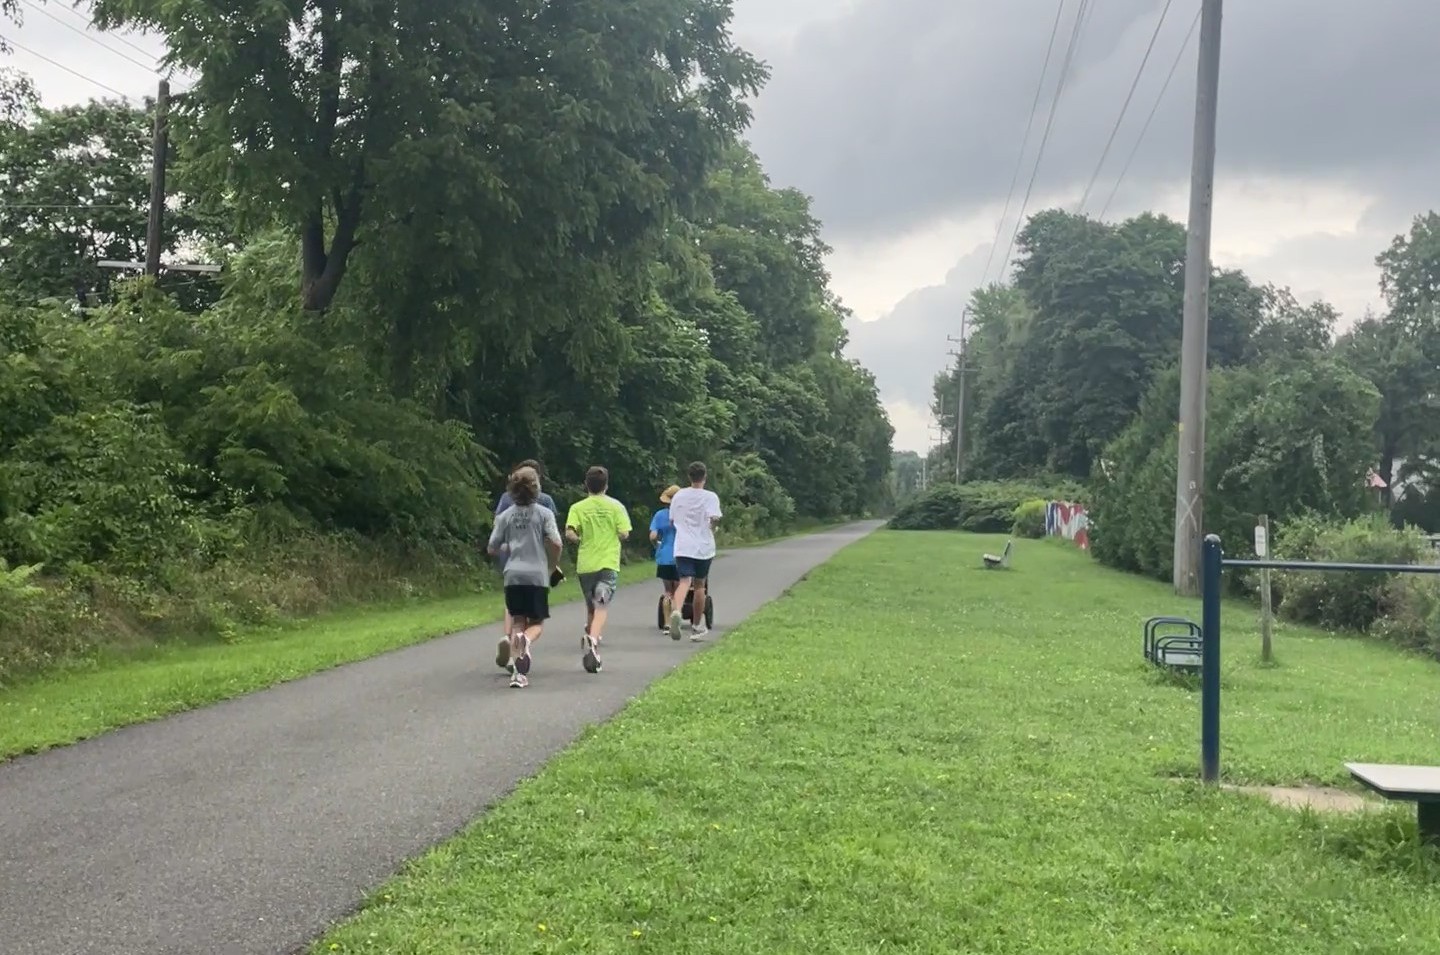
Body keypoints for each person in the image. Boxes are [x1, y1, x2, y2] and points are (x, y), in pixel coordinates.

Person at [487, 466, 563, 689]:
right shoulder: (544, 513)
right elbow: (556, 542)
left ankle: (518, 675)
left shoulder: (505, 516)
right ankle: (527, 641)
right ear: (536, 488)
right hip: (536, 575)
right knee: (536, 623)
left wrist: (507, 545)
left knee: (518, 621)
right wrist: (553, 563)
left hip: (513, 574)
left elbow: (492, 547)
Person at [564, 465, 632, 673]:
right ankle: (593, 638)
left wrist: (580, 539)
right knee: (601, 603)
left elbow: (569, 533)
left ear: (586, 485)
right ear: (606, 485)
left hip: (586, 563)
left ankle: (591, 631)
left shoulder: (578, 507)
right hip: (608, 562)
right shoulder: (616, 506)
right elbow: (624, 533)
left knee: (591, 604)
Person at [668, 461, 722, 641]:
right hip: (703, 547)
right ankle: (697, 626)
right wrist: (712, 526)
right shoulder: (710, 497)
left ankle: (676, 611)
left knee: (684, 581)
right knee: (699, 585)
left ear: (689, 477)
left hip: (682, 545)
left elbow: (671, 521)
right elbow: (714, 519)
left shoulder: (678, 496)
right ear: (704, 477)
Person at [649, 485, 681, 634]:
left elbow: (653, 536)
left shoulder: (660, 515)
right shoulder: (684, 514)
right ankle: (676, 618)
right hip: (681, 556)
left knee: (668, 591)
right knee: (678, 590)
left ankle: (667, 623)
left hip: (665, 557)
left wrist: (657, 545)